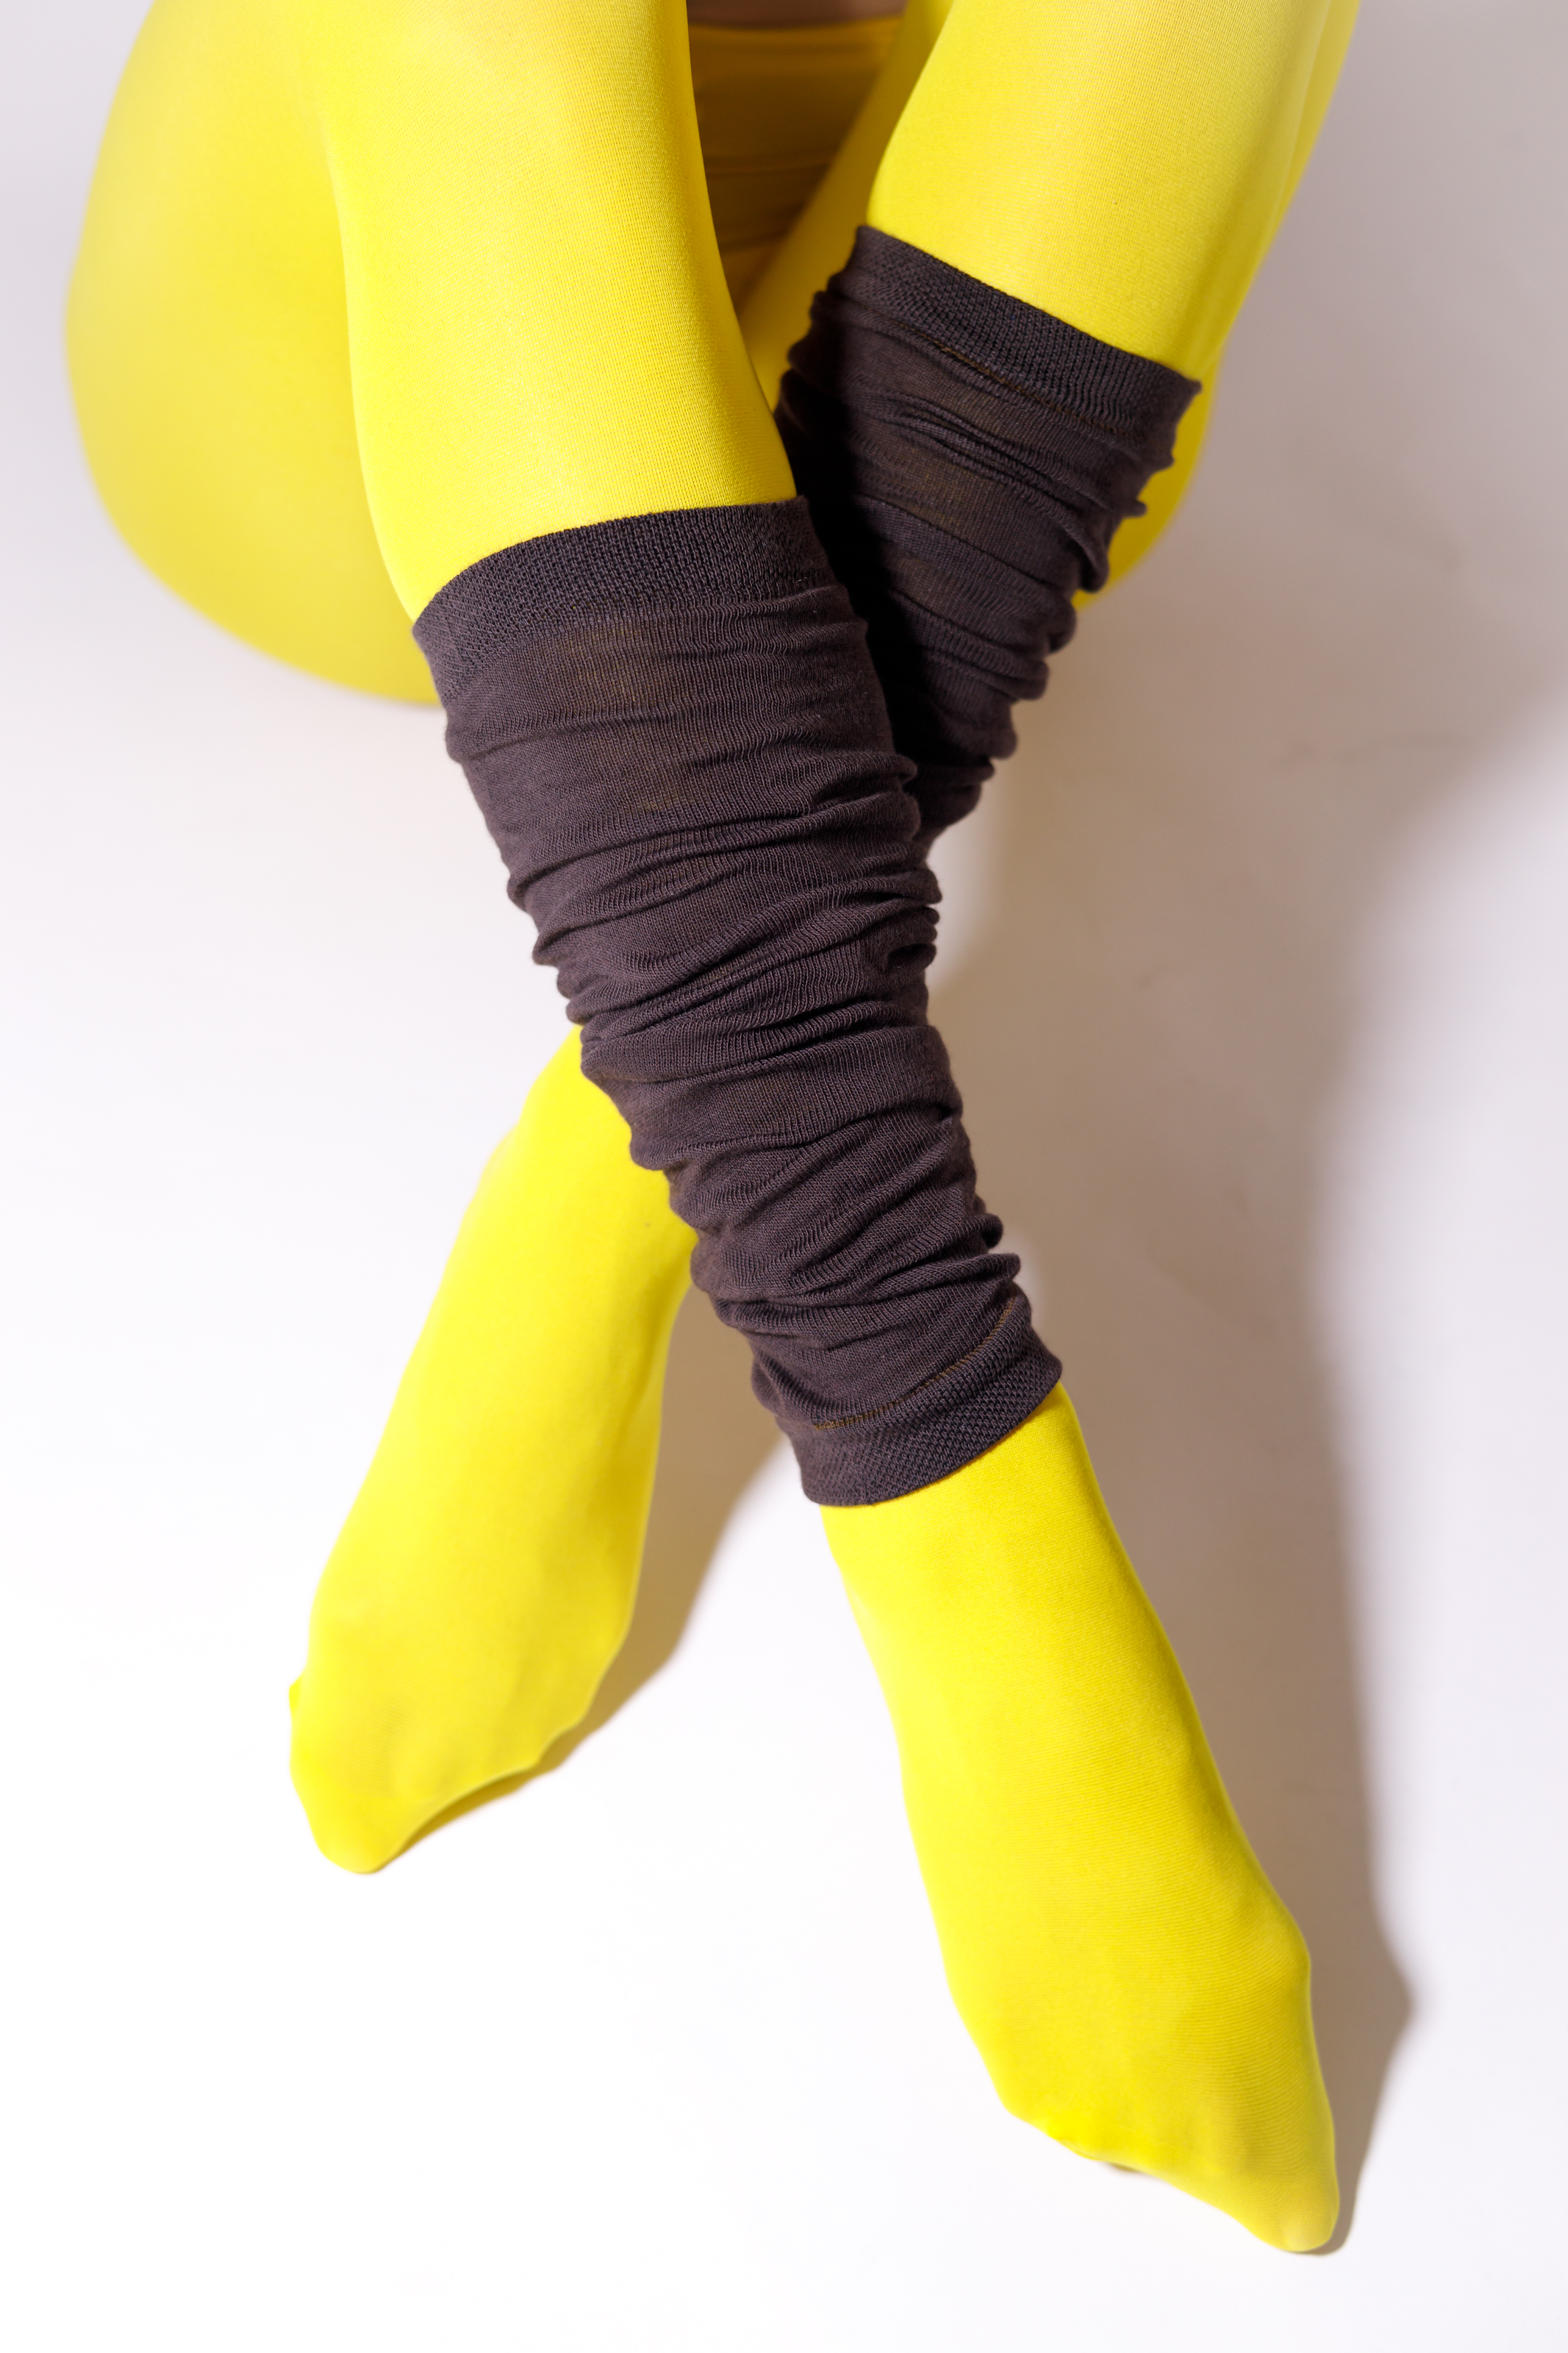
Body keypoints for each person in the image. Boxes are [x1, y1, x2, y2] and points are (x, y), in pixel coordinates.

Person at [69, 0, 1358, 2248]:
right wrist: (940, 1455)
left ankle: (591, 1195)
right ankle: (971, 1549)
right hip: (367, 356)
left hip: (981, 415)